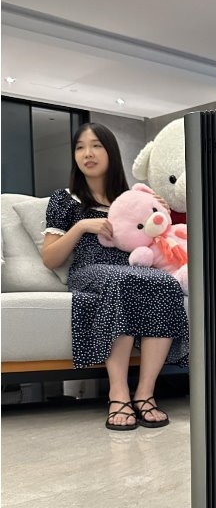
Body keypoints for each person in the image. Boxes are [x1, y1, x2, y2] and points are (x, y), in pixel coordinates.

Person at [42, 122, 189, 431]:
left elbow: (159, 238)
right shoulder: (65, 199)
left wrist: (159, 212)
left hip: (133, 266)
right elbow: (50, 259)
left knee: (165, 283)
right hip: (90, 269)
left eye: (96, 145)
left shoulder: (131, 198)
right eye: (80, 147)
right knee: (121, 281)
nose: (87, 153)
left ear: (110, 151)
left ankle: (145, 393)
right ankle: (118, 393)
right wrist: (82, 227)